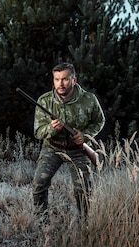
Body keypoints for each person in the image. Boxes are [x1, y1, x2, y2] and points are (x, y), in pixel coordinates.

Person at [32, 62, 105, 218]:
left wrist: (85, 136)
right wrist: (52, 128)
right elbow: (38, 132)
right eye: (57, 79)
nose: (61, 83)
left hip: (78, 150)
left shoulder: (89, 99)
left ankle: (84, 222)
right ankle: (40, 222)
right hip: (52, 147)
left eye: (65, 79)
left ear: (74, 80)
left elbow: (99, 121)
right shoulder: (44, 101)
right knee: (39, 183)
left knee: (83, 190)